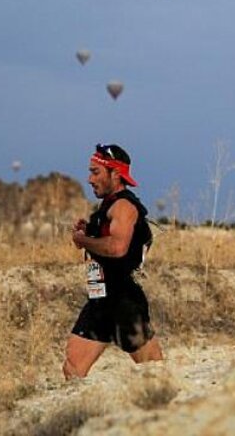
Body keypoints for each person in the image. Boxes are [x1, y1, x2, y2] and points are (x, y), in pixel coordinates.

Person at [64, 144, 163, 379]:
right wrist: (89, 233)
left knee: (154, 373)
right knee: (72, 369)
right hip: (100, 299)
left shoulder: (124, 206)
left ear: (115, 175)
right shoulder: (108, 206)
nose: (89, 179)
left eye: (96, 172)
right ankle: (82, 414)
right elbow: (108, 240)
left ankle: (168, 410)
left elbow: (117, 248)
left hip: (123, 303)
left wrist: (83, 240)